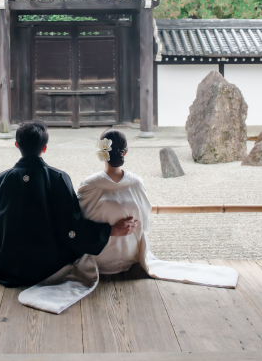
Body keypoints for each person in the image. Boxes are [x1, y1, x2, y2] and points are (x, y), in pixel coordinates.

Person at [18, 128, 239, 314]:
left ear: (101, 152)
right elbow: (144, 218)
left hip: (100, 260)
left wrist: (106, 228)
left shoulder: (90, 185)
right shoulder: (136, 182)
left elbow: (77, 224)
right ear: (125, 152)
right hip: (131, 256)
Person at [0, 120, 139, 290]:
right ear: (45, 148)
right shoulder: (59, 178)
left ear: (17, 145)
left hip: (8, 265)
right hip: (49, 267)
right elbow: (71, 228)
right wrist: (110, 230)